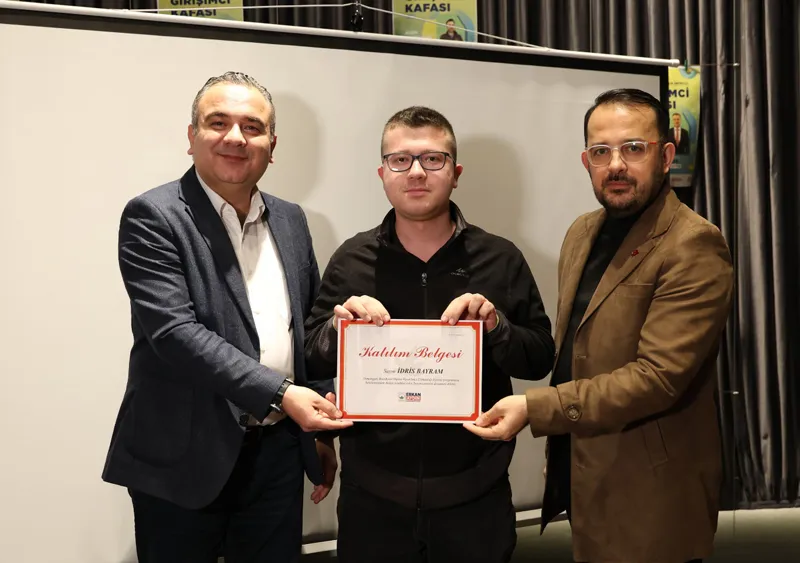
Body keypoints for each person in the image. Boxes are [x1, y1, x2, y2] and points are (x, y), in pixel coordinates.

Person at [466, 88, 734, 563]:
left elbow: (658, 378)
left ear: (665, 155)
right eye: (601, 151)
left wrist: (534, 407)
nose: (616, 165)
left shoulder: (693, 244)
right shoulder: (582, 232)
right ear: (586, 161)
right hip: (587, 472)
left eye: (634, 148)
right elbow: (578, 349)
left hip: (651, 493)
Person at [101, 71, 351, 563]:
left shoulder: (291, 220)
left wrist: (319, 432)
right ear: (191, 136)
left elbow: (307, 329)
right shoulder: (153, 216)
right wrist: (283, 393)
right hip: (183, 457)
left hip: (277, 455)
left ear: (272, 146)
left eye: (252, 127)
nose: (236, 137)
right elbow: (175, 334)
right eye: (218, 122)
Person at [304, 106, 555, 563]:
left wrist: (496, 326)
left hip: (475, 497)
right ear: (382, 174)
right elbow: (311, 356)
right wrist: (337, 330)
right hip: (372, 499)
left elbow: (540, 357)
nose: (416, 172)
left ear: (455, 173)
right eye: (400, 160)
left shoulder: (500, 258)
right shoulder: (351, 259)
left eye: (433, 159)